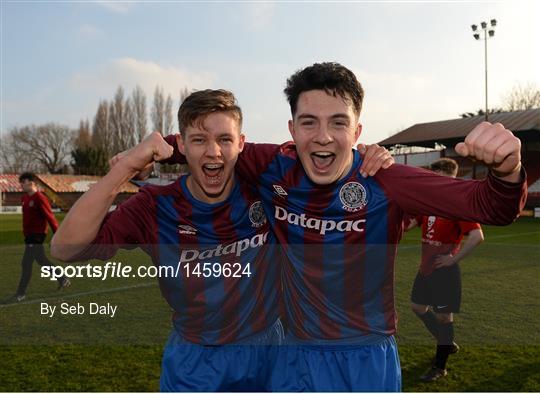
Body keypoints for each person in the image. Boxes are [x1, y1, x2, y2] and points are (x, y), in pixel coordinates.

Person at [160, 62, 527, 391]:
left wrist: (507, 169)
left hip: (364, 358)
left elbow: (492, 205)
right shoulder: (273, 166)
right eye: (309, 122)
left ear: (357, 131)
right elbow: (213, 145)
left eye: (338, 122)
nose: (323, 136)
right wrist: (151, 152)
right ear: (292, 129)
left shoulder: (385, 180)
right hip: (292, 354)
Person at [51, 89, 392, 391]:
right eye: (199, 140)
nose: (213, 152)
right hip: (196, 360)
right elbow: (64, 249)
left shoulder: (267, 192)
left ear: (240, 144)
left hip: (269, 352)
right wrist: (126, 166)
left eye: (225, 140)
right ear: (180, 146)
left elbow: (326, 162)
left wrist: (367, 155)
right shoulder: (155, 205)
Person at [405, 158, 484, 382]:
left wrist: (453, 259)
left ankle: (439, 367)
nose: (432, 180)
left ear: (448, 177)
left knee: (443, 316)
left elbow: (477, 236)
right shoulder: (430, 203)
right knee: (417, 306)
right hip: (426, 269)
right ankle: (446, 342)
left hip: (444, 272)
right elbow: (411, 223)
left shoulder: (457, 204)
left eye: (435, 176)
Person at [9, 172, 70, 302]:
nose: (21, 185)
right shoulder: (24, 198)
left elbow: (50, 217)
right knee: (42, 260)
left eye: (23, 182)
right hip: (29, 236)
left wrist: (57, 235)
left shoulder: (40, 198)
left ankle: (20, 293)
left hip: (37, 236)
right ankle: (63, 278)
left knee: (26, 263)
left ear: (31, 183)